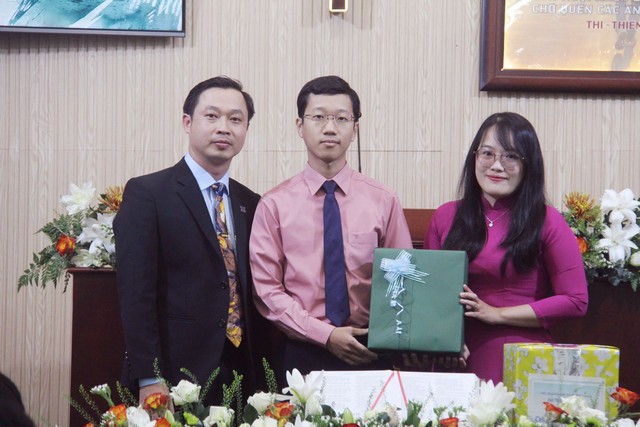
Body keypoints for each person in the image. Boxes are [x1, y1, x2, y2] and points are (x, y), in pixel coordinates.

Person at [115, 76, 270, 406]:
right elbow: (136, 295)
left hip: (241, 372)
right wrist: (149, 376)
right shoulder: (148, 194)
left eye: (235, 119)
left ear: (246, 129)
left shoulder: (250, 202)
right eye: (212, 116)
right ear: (187, 122)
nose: (223, 128)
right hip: (173, 372)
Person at [249, 75, 414, 383]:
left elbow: (403, 278)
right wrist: (325, 335)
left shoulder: (383, 200)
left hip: (370, 348)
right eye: (319, 117)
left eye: (341, 118)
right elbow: (267, 291)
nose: (329, 128)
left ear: (355, 129)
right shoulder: (274, 204)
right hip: (302, 348)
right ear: (300, 126)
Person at [424, 112, 588, 383]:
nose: (496, 166)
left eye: (511, 156)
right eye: (487, 153)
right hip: (455, 355)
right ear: (474, 157)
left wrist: (496, 314)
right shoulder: (445, 216)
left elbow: (575, 301)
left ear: (528, 164)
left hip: (522, 355)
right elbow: (430, 296)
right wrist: (444, 343)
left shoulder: (547, 220)